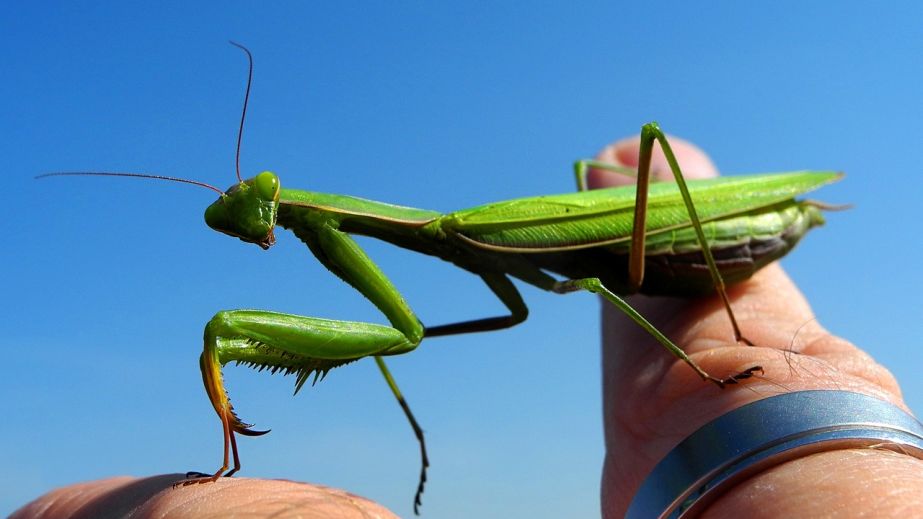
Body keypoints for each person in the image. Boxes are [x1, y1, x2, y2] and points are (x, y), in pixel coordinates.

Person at [13, 136, 923, 518]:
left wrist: (720, 375)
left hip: (703, 242)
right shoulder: (420, 244)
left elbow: (409, 328)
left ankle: (710, 340)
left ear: (288, 210)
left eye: (266, 214)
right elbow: (401, 330)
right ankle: (404, 434)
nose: (262, 227)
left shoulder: (458, 231)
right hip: (637, 261)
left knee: (632, 171)